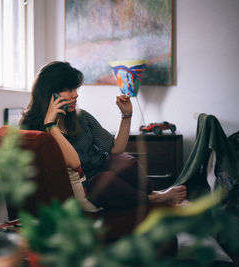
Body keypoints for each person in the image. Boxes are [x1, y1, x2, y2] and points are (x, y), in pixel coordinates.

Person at [20, 61, 187, 210]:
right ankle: (155, 199)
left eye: (75, 88)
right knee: (105, 181)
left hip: (100, 166)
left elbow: (116, 148)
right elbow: (74, 163)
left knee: (126, 162)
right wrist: (50, 125)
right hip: (81, 185)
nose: (75, 94)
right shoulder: (33, 129)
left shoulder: (81, 117)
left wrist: (126, 115)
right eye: (68, 89)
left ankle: (153, 193)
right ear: (49, 93)